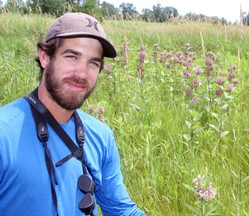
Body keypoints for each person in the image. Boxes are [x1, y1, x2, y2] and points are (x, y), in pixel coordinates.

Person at [0, 12, 145, 216]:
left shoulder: (101, 136)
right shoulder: (4, 133)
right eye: (71, 57)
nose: (82, 73)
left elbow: (121, 210)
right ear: (45, 57)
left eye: (93, 63)